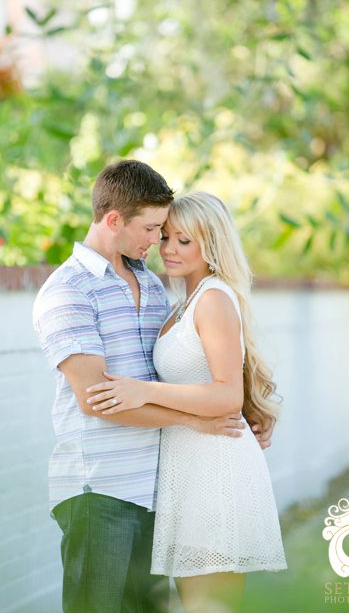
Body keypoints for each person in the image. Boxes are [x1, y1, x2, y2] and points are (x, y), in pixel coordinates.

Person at [32, 161, 251, 613]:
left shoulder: (152, 286)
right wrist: (199, 421)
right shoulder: (68, 291)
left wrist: (253, 410)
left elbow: (189, 365)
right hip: (100, 493)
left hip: (158, 491)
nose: (159, 240)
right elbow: (98, 402)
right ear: (114, 220)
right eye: (152, 229)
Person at [87, 191, 287, 612]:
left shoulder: (213, 298)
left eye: (184, 240)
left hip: (214, 472)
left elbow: (226, 393)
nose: (168, 250)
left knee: (208, 606)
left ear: (210, 245)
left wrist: (145, 390)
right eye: (165, 237)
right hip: (187, 469)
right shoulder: (182, 303)